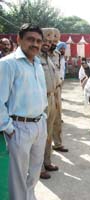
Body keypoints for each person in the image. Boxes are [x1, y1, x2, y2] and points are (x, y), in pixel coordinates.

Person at [0, 23, 47, 200]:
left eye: (38, 41)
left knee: (34, 172)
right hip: (18, 127)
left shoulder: (37, 63)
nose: (35, 44)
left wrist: (43, 117)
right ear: (19, 39)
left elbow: (41, 93)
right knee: (17, 177)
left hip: (39, 125)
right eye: (30, 39)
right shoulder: (7, 64)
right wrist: (9, 128)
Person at [38, 28, 59, 179]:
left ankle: (47, 161)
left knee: (49, 133)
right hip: (41, 100)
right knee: (40, 135)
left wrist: (56, 100)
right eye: (45, 40)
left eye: (50, 41)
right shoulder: (35, 58)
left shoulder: (49, 57)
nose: (47, 43)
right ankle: (38, 168)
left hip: (52, 98)